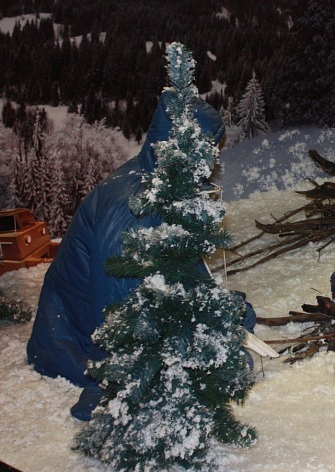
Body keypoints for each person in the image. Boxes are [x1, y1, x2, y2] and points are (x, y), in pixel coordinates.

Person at [26, 90, 260, 421]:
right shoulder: (133, 208)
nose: (210, 162)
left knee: (233, 318)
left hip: (116, 307)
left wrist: (212, 307)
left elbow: (178, 265)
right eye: (204, 150)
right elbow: (120, 314)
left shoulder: (156, 182)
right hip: (77, 329)